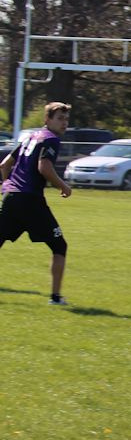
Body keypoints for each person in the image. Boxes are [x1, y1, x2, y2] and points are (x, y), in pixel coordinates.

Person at [0, 102, 74, 304]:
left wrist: (7, 185)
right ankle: (56, 298)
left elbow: (4, 165)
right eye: (60, 118)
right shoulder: (51, 139)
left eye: (66, 119)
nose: (64, 123)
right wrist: (63, 186)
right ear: (47, 119)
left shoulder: (30, 137)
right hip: (30, 200)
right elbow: (44, 168)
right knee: (59, 246)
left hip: (11, 197)